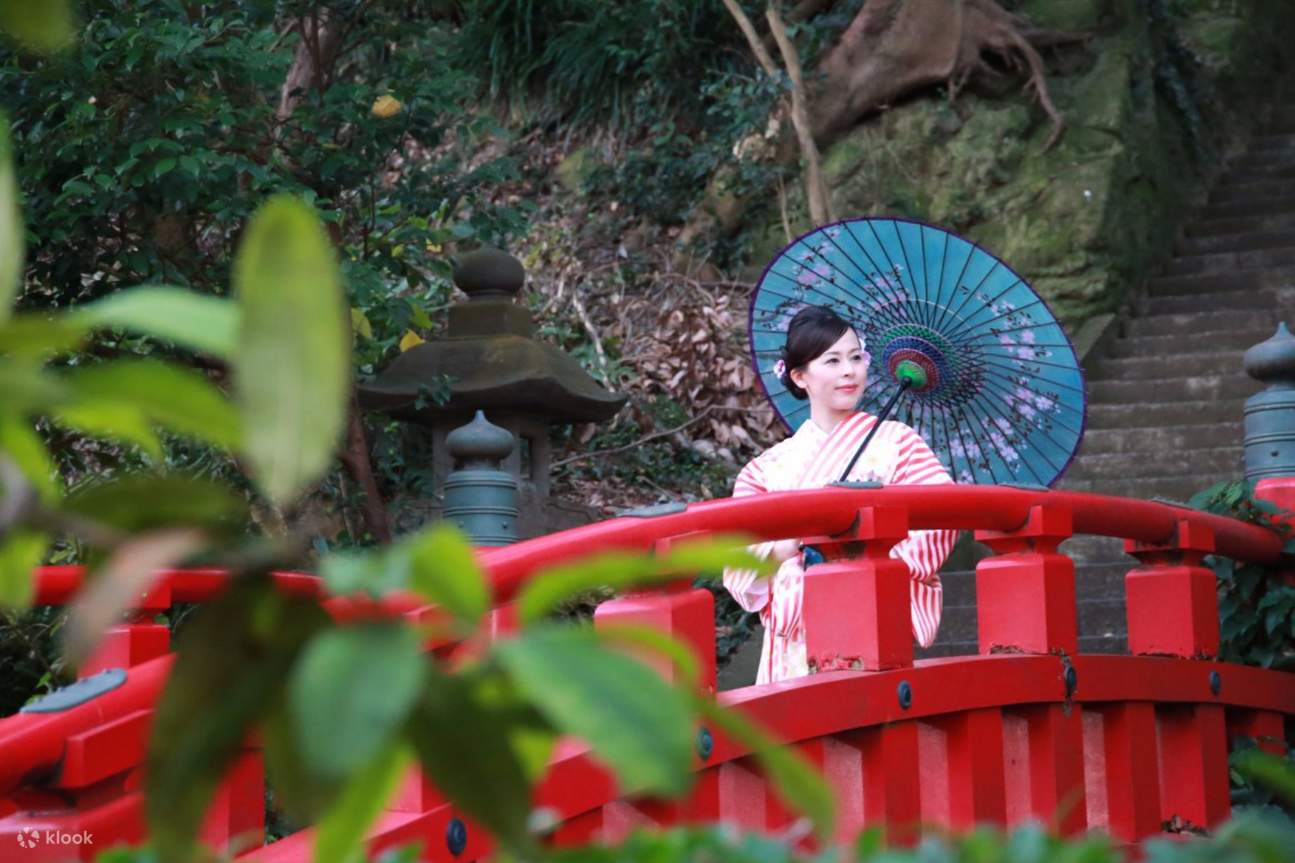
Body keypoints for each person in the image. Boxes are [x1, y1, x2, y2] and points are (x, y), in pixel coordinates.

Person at [724, 305, 957, 684]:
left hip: (872, 619)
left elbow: (940, 521)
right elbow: (738, 564)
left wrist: (862, 557)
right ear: (800, 377)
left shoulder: (899, 443)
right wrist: (792, 545)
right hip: (793, 641)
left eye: (855, 357)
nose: (849, 371)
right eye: (832, 361)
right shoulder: (765, 470)